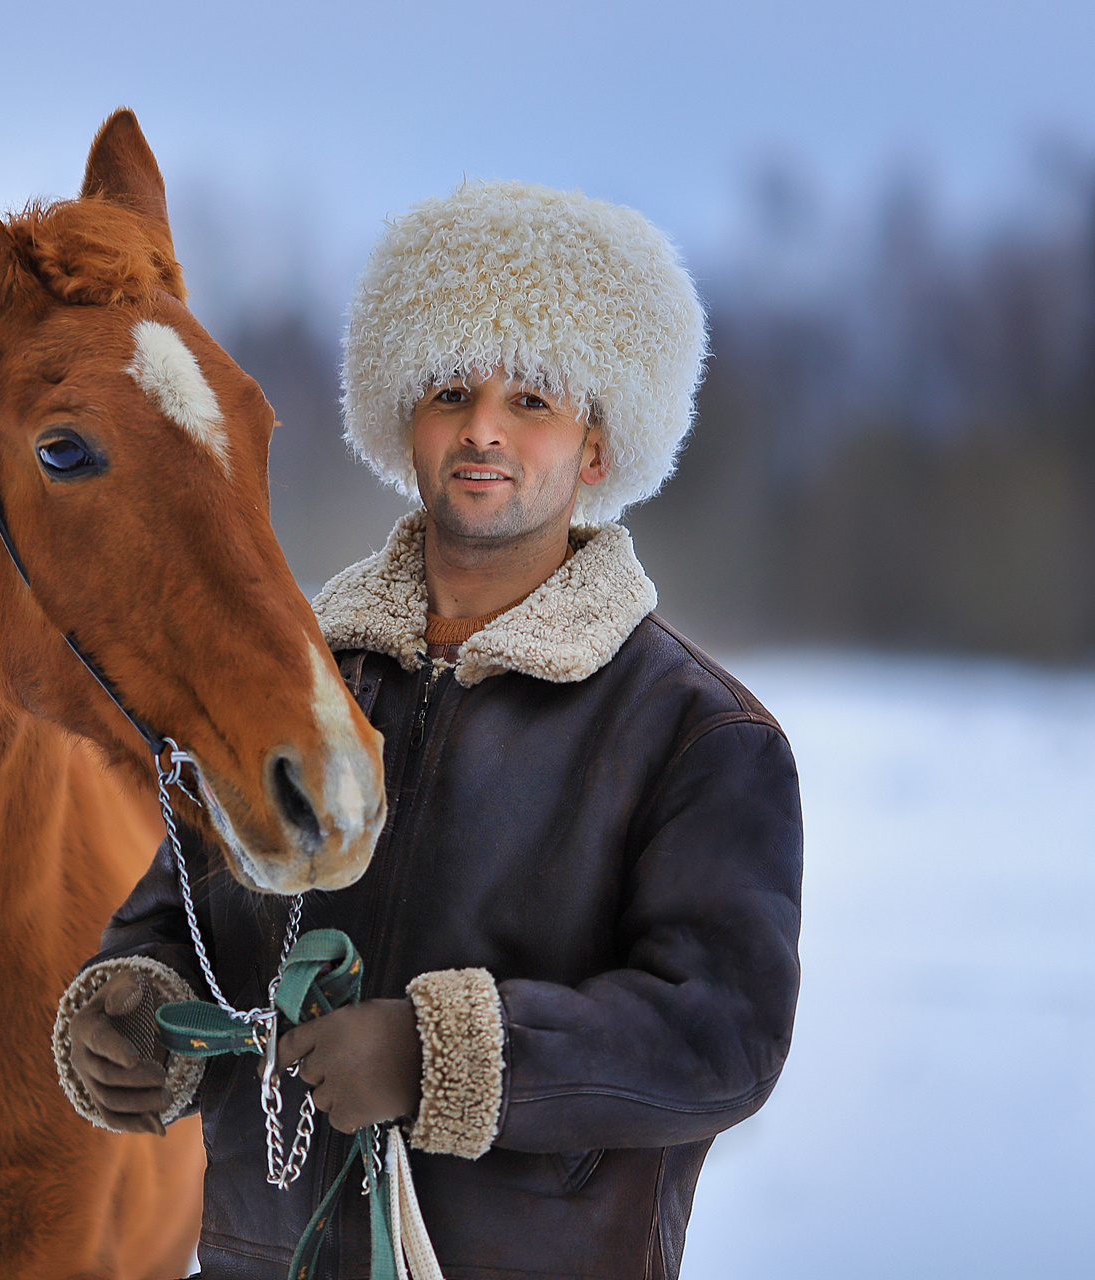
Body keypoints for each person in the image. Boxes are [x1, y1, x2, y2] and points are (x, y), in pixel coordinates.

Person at [54, 179, 804, 1280]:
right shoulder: (294, 684)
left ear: (597, 448)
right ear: (402, 414)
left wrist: (439, 1055)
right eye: (451, 387)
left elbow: (720, 1037)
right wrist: (135, 1010)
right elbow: (178, 917)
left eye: (533, 397)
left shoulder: (700, 733)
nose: (483, 426)